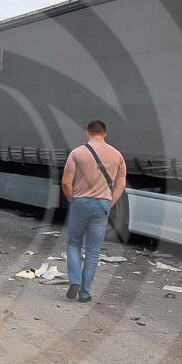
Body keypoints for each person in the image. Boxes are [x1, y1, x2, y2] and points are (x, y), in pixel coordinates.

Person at [59, 120, 126, 303]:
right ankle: (85, 292)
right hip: (102, 204)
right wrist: (110, 201)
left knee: (74, 244)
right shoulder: (117, 155)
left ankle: (74, 281)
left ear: (88, 133)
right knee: (93, 250)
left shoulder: (77, 153)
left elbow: (66, 182)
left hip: (80, 202)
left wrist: (72, 199)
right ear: (105, 133)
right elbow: (121, 183)